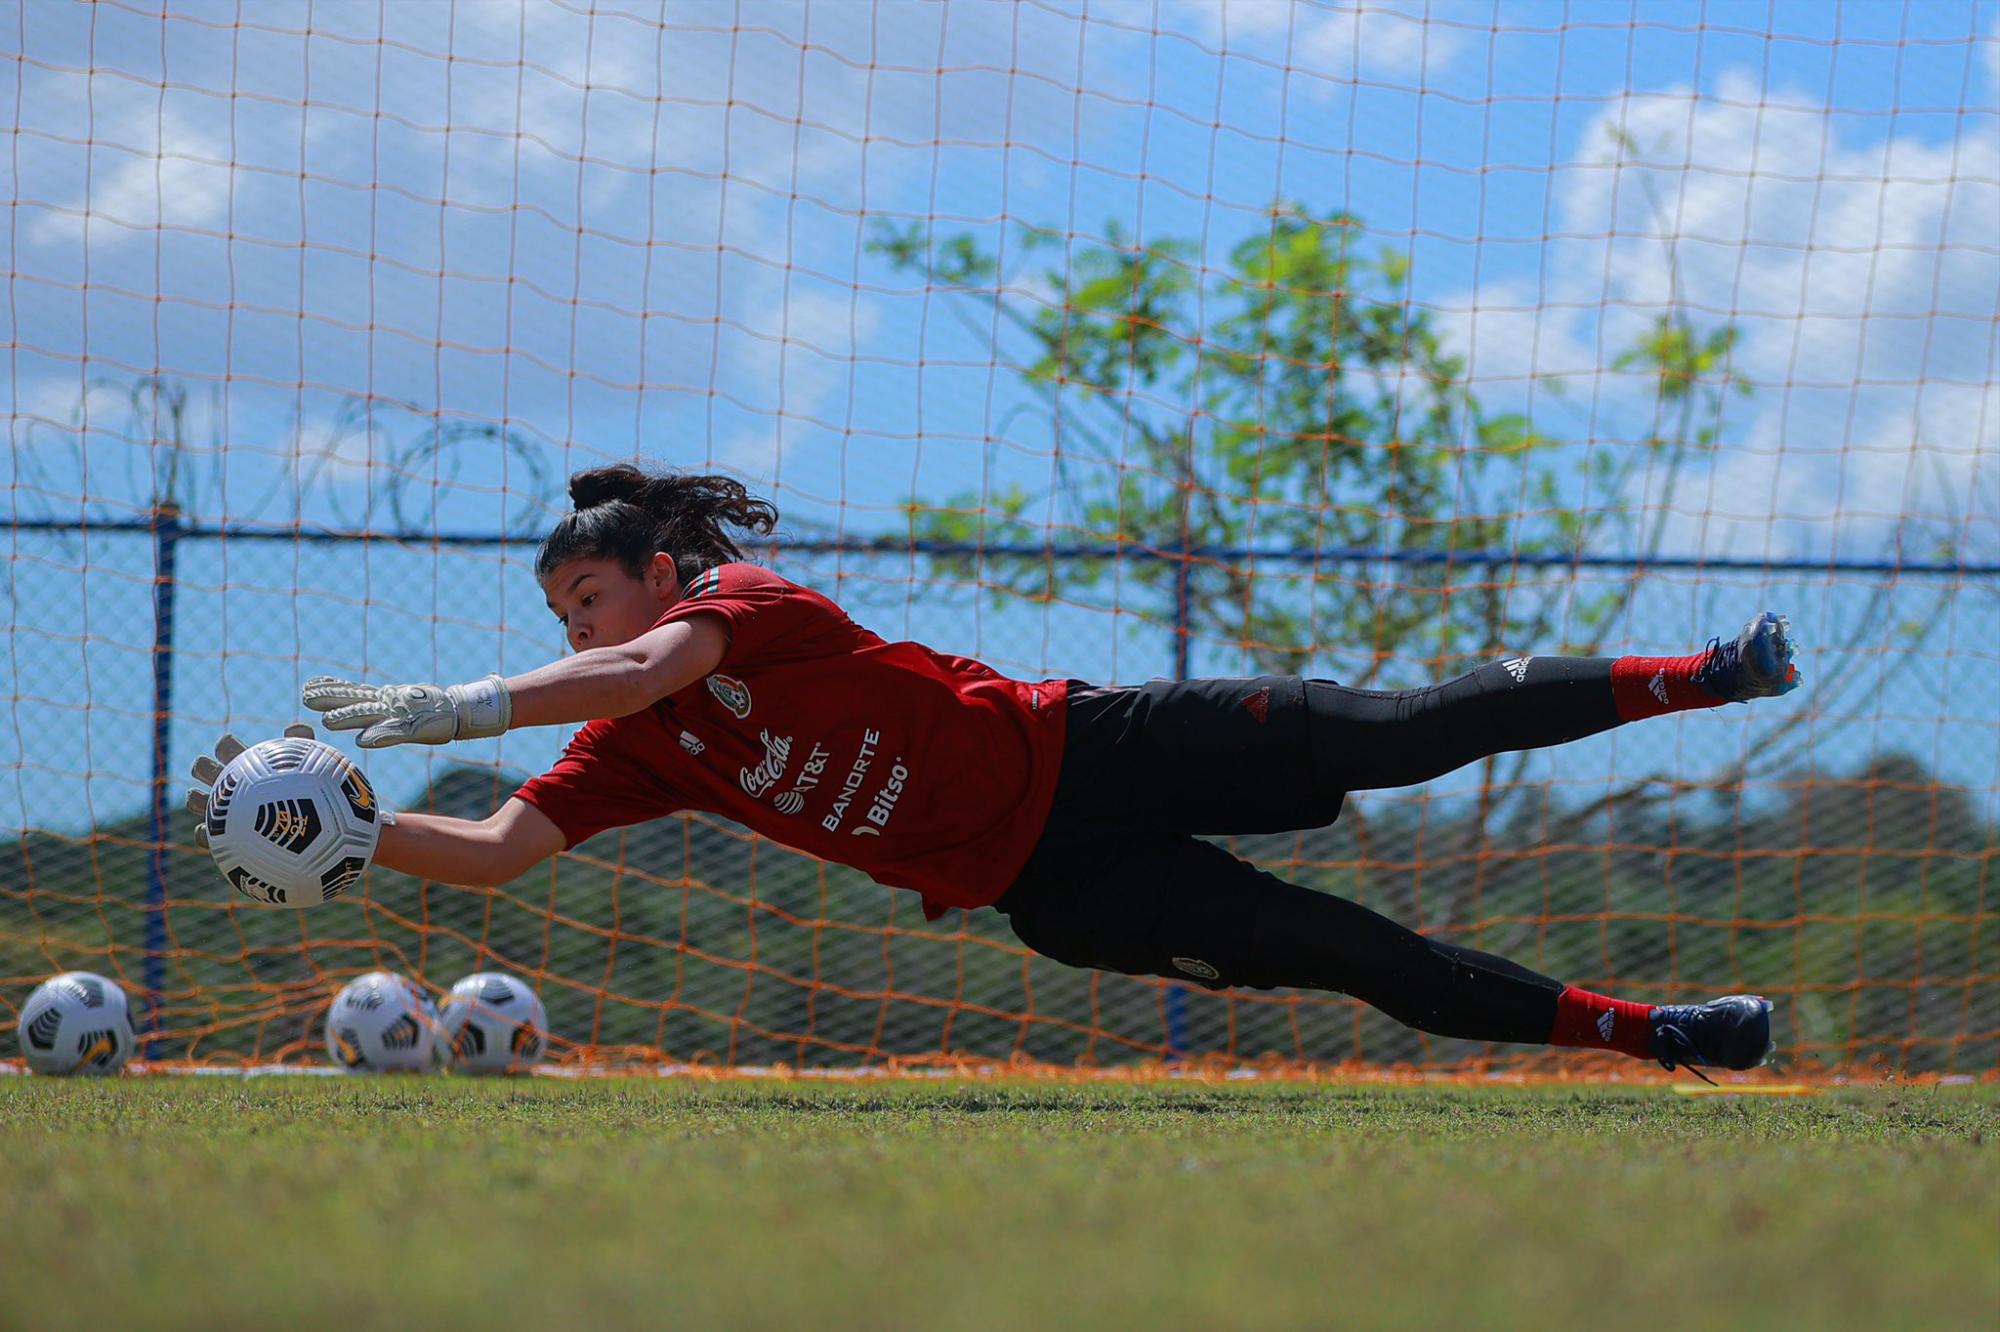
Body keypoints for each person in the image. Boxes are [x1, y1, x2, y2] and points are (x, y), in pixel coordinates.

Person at [192, 465, 1801, 1078]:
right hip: (1054, 887)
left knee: (1395, 732)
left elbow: (641, 663)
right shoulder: (634, 754)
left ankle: (1707, 673)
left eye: (584, 595)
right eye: (550, 615)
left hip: (1088, 747)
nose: (574, 624)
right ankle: (1662, 1033)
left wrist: (462, 699)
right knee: (1346, 954)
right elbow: (486, 856)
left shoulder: (741, 611)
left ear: (667, 572)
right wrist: (336, 831)